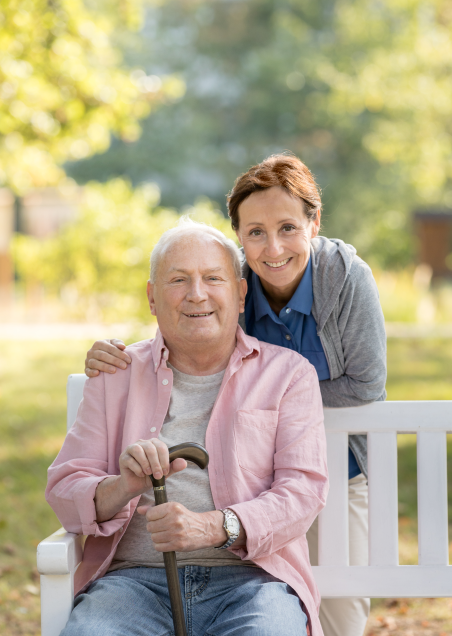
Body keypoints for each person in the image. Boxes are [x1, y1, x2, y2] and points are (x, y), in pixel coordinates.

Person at [85, 154, 387, 636]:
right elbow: (189, 326)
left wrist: (289, 392)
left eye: (288, 227)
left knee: (340, 613)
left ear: (315, 223)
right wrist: (115, 355)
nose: (273, 248)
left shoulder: (345, 279)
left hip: (339, 458)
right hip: (254, 471)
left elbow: (367, 383)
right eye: (255, 233)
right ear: (241, 239)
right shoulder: (234, 280)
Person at [47, 220, 328, 636]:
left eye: (212, 278)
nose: (197, 294)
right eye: (178, 279)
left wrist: (214, 526)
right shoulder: (115, 374)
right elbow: (65, 492)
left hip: (254, 582)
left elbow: (302, 492)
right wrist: (122, 485)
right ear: (152, 297)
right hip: (132, 582)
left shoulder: (288, 375)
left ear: (240, 292)